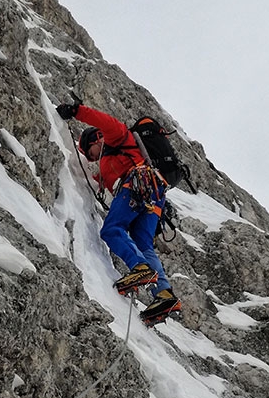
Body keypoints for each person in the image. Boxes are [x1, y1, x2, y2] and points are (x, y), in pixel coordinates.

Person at [56, 100, 182, 326]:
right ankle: (163, 295)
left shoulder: (116, 138)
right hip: (153, 194)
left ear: (95, 139)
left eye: (90, 152)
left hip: (136, 183)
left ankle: (140, 268)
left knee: (112, 230)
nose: (92, 158)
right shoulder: (111, 161)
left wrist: (76, 111)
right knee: (143, 244)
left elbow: (103, 120)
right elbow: (98, 183)